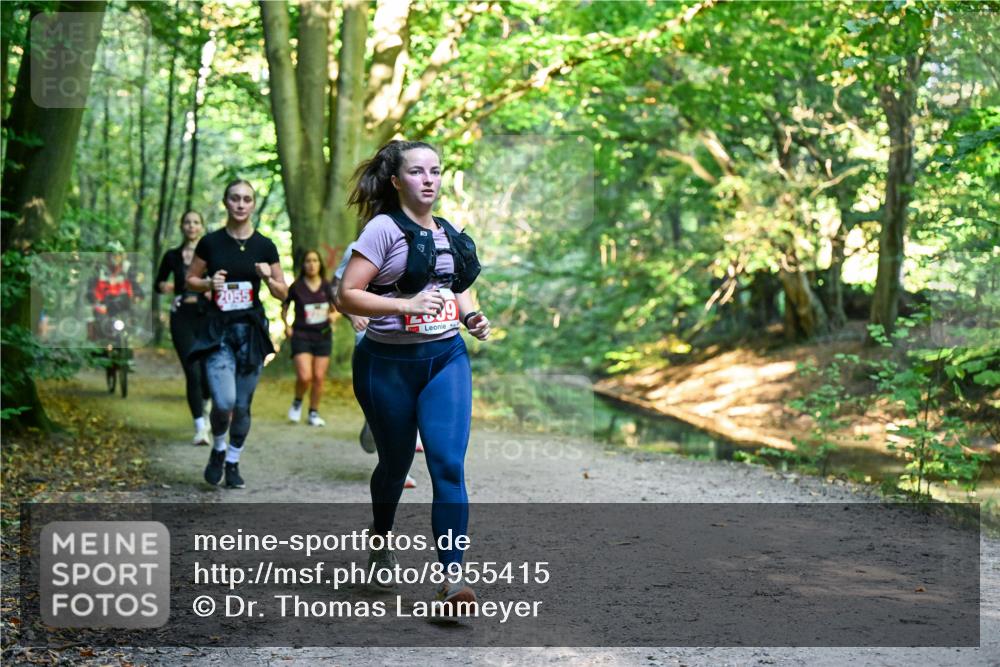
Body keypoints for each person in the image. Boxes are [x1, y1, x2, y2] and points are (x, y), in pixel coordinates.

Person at [335, 140, 490, 615]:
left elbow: (455, 289)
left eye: (436, 171)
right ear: (397, 180)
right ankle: (380, 540)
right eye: (418, 171)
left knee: (447, 465)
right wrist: (403, 305)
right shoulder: (382, 230)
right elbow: (347, 294)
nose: (430, 179)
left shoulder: (447, 232)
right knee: (395, 464)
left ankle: (451, 579)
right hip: (387, 365)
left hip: (445, 359)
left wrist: (473, 318)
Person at [185, 179, 288, 489]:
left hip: (251, 334)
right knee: (224, 401)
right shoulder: (211, 243)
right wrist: (208, 284)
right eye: (234, 198)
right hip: (219, 332)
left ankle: (232, 460)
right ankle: (218, 448)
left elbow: (283, 293)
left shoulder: (265, 246)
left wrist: (269, 279)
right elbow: (190, 279)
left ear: (253, 204)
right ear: (225, 202)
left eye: (246, 199)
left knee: (242, 405)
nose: (241, 204)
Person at [332, 243, 421, 488]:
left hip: (410, 335)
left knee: (407, 404)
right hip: (371, 338)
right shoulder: (359, 246)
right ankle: (375, 427)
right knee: (387, 404)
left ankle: (400, 469)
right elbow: (336, 288)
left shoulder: (420, 241)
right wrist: (353, 314)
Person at [156, 211, 212, 445]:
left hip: (207, 316)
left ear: (201, 226)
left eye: (196, 222)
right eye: (187, 222)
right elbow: (158, 284)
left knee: (208, 372)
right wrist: (166, 287)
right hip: (181, 317)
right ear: (182, 226)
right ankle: (200, 428)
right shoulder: (172, 256)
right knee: (192, 370)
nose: (191, 226)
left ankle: (206, 402)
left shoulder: (211, 252)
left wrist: (212, 290)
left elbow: (224, 279)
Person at [281, 249, 336, 427]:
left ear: (320, 264)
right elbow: (284, 307)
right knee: (305, 376)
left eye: (315, 261)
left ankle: (313, 412)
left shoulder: (327, 286)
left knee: (319, 377)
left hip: (323, 335)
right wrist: (286, 326)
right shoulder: (296, 286)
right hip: (301, 335)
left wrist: (334, 316)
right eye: (308, 261)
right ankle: (297, 401)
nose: (311, 264)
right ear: (303, 265)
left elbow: (338, 307)